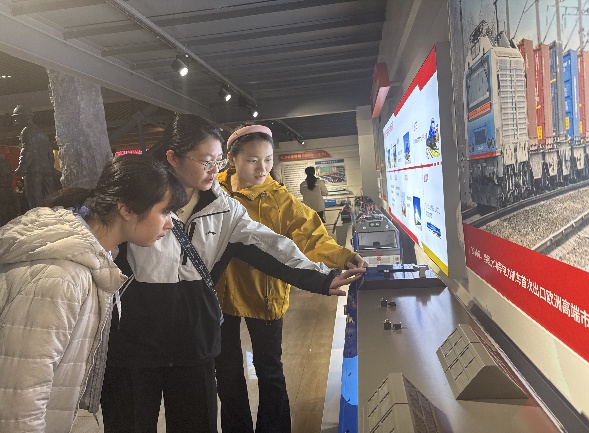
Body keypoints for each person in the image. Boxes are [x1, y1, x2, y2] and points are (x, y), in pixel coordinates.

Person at [100, 114, 364, 433]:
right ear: (173, 157)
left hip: (194, 341)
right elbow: (98, 246)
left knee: (197, 423)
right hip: (134, 341)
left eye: (217, 161)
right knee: (131, 422)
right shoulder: (134, 196)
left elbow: (268, 243)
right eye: (206, 161)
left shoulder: (223, 206)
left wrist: (322, 277)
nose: (214, 170)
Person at [0, 154, 187, 433]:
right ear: (127, 210)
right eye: (164, 211)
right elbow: (19, 399)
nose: (171, 223)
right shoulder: (62, 278)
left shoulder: (94, 258)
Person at [215, 124, 367, 433]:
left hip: (265, 292)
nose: (262, 168)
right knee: (227, 373)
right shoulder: (213, 192)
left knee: (269, 369)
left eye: (268, 159)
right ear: (232, 159)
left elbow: (310, 236)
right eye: (252, 160)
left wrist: (341, 256)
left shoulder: (279, 198)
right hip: (219, 294)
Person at [12, 104, 59, 208]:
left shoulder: (26, 131)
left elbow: (27, 152)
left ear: (22, 117)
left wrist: (20, 169)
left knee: (35, 203)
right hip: (47, 172)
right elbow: (50, 153)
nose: (16, 121)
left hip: (33, 173)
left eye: (16, 118)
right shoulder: (41, 132)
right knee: (49, 201)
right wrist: (50, 168)